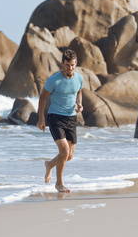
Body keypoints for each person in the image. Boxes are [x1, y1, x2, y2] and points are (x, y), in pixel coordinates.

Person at [37, 49, 84, 193]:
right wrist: (41, 119)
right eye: (68, 65)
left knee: (69, 155)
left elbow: (79, 91)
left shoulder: (79, 78)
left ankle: (49, 164)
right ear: (62, 63)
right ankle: (59, 183)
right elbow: (42, 97)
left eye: (73, 65)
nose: (71, 68)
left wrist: (79, 104)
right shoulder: (54, 80)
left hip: (71, 118)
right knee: (64, 150)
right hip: (55, 117)